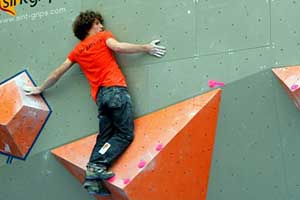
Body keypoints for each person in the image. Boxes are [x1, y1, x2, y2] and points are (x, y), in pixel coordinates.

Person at [23, 10, 166, 196]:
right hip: (115, 91)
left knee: (105, 137)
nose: (102, 26)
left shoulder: (76, 51)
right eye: (98, 23)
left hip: (101, 98)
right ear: (89, 26)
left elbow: (58, 72)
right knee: (124, 134)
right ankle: (98, 165)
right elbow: (119, 47)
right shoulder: (103, 37)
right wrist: (146, 47)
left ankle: (92, 178)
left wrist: (40, 88)